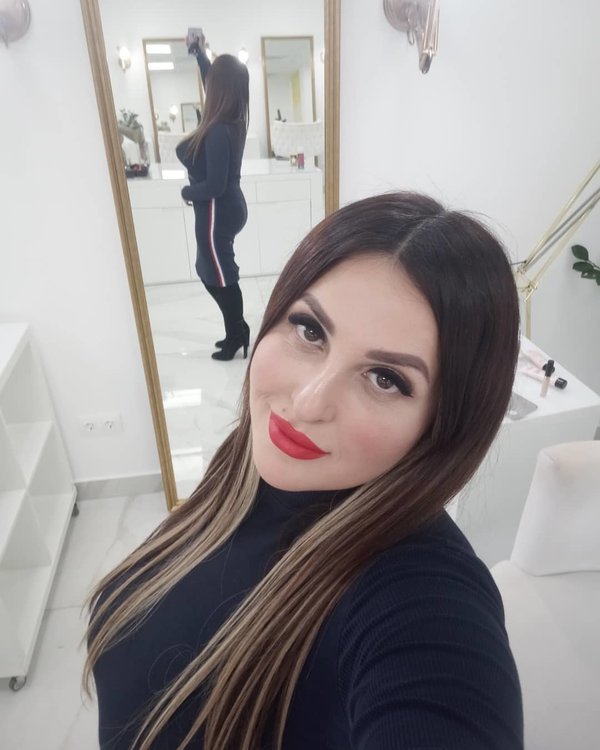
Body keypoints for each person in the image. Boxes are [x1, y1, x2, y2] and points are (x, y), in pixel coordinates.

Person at [84, 192, 524, 750]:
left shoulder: (424, 599)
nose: (309, 402)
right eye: (310, 330)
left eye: (386, 379)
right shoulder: (249, 465)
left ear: (443, 425)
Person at [176, 30, 250, 361]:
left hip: (217, 209)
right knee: (211, 270)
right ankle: (235, 330)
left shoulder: (219, 130)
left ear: (219, 90)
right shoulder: (233, 118)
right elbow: (212, 79)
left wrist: (186, 191)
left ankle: (237, 333)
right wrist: (199, 53)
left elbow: (215, 185)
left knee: (219, 276)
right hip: (225, 208)